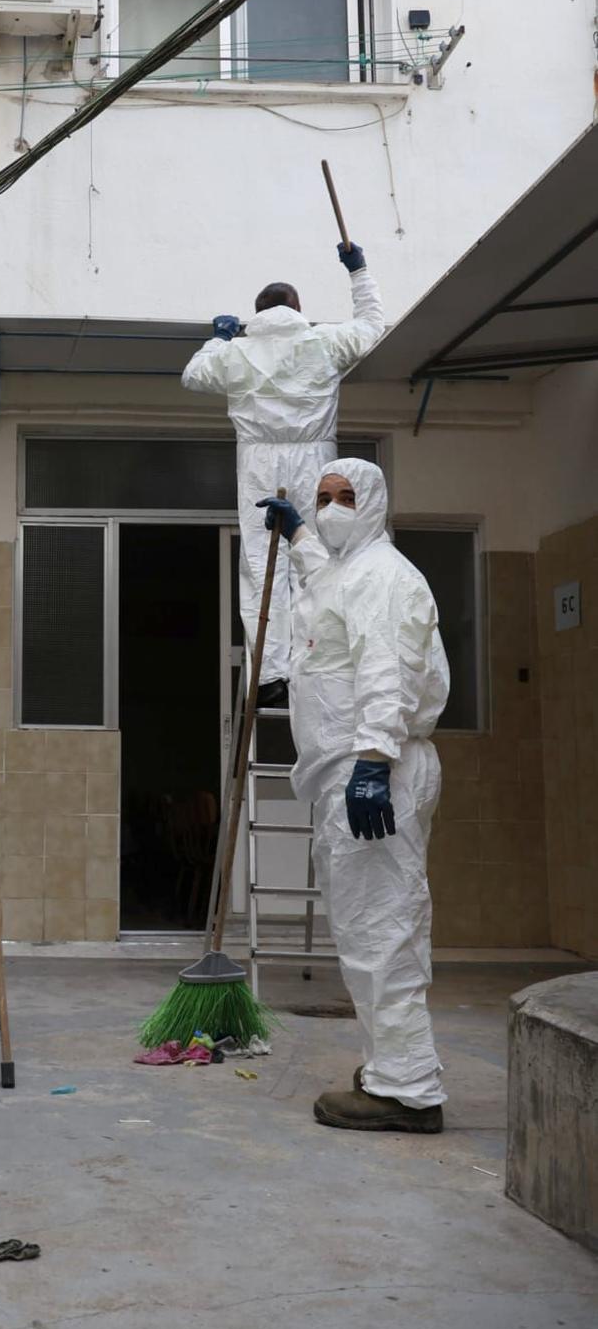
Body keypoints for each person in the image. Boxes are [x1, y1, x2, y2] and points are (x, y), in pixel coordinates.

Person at [257, 460, 450, 1132]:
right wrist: (298, 539)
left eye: (346, 498)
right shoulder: (347, 568)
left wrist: (372, 757)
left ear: (373, 502)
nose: (333, 508)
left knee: (381, 928)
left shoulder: (383, 576)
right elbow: (329, 594)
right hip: (353, 771)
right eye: (322, 499)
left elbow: (385, 668)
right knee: (369, 925)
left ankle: (405, 1089)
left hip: (375, 770)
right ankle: (395, 1068)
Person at [182, 241, 384, 707]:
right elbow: (373, 325)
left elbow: (193, 376)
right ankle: (313, 661)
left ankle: (270, 673)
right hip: (315, 458)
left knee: (260, 566)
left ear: (257, 313)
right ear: (298, 308)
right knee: (315, 557)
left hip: (258, 460)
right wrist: (359, 272)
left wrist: (220, 337)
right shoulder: (324, 341)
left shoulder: (238, 353)